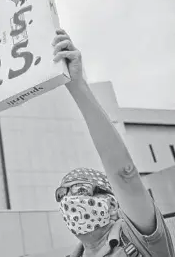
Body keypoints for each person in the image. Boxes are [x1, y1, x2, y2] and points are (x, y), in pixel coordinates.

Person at [52, 29, 174, 257]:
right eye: (62, 193)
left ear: (112, 203)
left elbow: (124, 175)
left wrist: (77, 86)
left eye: (80, 189)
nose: (70, 200)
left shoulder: (139, 238)